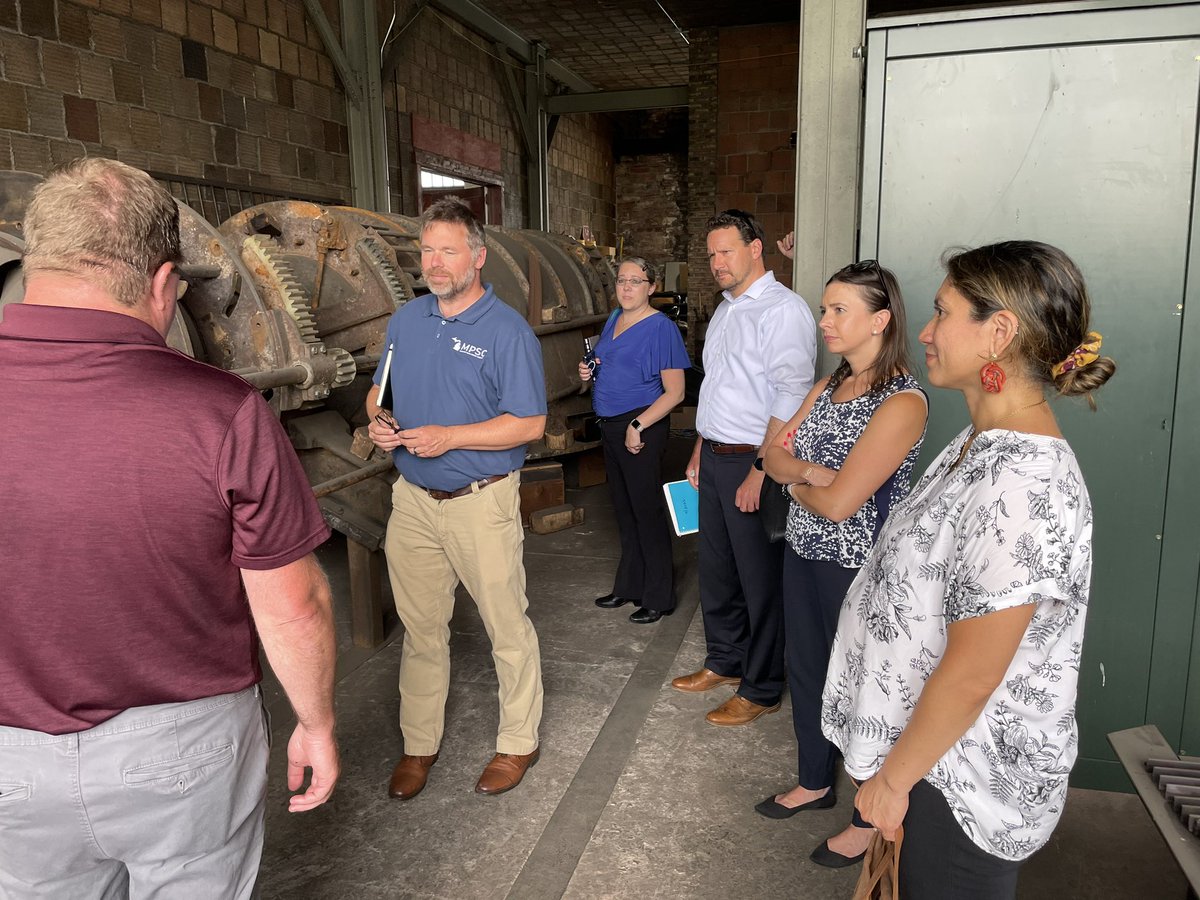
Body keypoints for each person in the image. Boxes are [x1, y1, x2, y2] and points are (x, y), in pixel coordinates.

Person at [0, 158, 338, 899]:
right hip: (181, 750)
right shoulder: (222, 412)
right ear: (162, 283)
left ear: (31, 263)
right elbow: (294, 605)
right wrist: (315, 721)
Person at [822, 241, 1115, 898]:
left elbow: (975, 672)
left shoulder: (1023, 482)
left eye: (942, 312)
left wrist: (894, 780)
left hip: (958, 783)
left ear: (999, 334)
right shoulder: (981, 442)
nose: (925, 332)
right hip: (932, 759)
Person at [367, 197, 547, 801]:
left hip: (480, 501)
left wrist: (451, 437)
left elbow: (529, 423)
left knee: (506, 627)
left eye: (448, 250)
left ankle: (518, 741)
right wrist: (380, 422)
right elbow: (379, 395)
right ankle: (419, 744)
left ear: (478, 257)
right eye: (427, 251)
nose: (435, 263)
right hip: (414, 501)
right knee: (421, 630)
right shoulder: (407, 321)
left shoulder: (506, 331)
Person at [757, 261, 928, 869]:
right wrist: (808, 474)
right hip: (804, 553)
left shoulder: (901, 401)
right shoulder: (830, 386)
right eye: (824, 310)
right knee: (806, 668)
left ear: (880, 321)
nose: (825, 321)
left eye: (838, 311)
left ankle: (867, 818)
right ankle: (814, 779)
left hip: (859, 569)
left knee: (863, 687)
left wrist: (800, 483)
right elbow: (773, 455)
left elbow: (841, 505)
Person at [671, 209, 816, 726]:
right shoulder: (726, 310)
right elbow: (718, 389)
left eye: (726, 251)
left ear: (756, 249)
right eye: (711, 254)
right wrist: (699, 447)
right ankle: (725, 661)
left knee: (760, 580)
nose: (717, 262)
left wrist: (761, 468)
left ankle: (761, 686)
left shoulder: (783, 310)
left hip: (752, 461)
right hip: (715, 456)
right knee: (717, 569)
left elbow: (792, 394)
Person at [578, 256, 690, 624]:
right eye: (621, 280)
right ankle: (629, 585)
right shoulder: (615, 318)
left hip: (642, 425)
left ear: (652, 287)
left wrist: (638, 425)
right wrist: (589, 370)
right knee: (624, 510)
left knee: (646, 510)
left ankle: (658, 596)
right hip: (610, 425)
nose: (626, 287)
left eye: (635, 281)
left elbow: (675, 392)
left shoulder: (661, 329)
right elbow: (605, 362)